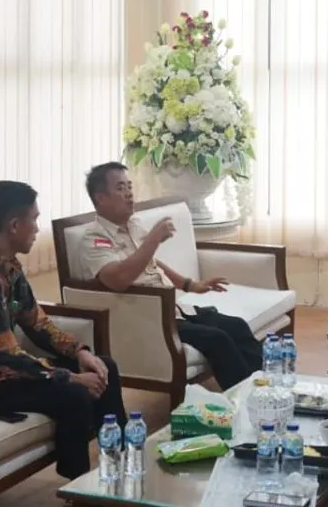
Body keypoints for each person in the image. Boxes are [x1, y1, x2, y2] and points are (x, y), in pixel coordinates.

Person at [0, 181, 125, 480]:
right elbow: (6, 354)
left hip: (7, 373)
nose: (38, 229)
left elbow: (37, 323)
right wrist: (71, 377)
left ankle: (119, 464)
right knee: (74, 394)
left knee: (106, 367)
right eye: (35, 219)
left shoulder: (8, 267)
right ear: (14, 225)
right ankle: (78, 486)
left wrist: (80, 352)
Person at [71, 162, 262, 390]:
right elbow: (117, 279)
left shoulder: (133, 225)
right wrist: (153, 239)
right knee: (217, 339)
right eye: (120, 188)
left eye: (129, 186)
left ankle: (265, 389)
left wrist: (190, 285)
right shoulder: (94, 239)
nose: (129, 193)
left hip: (174, 310)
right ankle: (244, 398)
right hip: (151, 316)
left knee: (237, 326)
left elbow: (151, 262)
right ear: (101, 198)